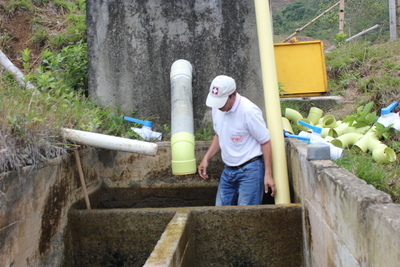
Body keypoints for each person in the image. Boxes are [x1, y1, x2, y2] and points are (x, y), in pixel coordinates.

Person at [198, 75, 276, 206]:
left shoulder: (249, 111)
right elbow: (219, 135)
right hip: (228, 169)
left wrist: (268, 174)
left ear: (233, 95)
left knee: (246, 216)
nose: (218, 107)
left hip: (250, 170)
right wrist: (207, 158)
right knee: (219, 214)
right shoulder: (217, 108)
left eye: (221, 102)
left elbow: (265, 141)